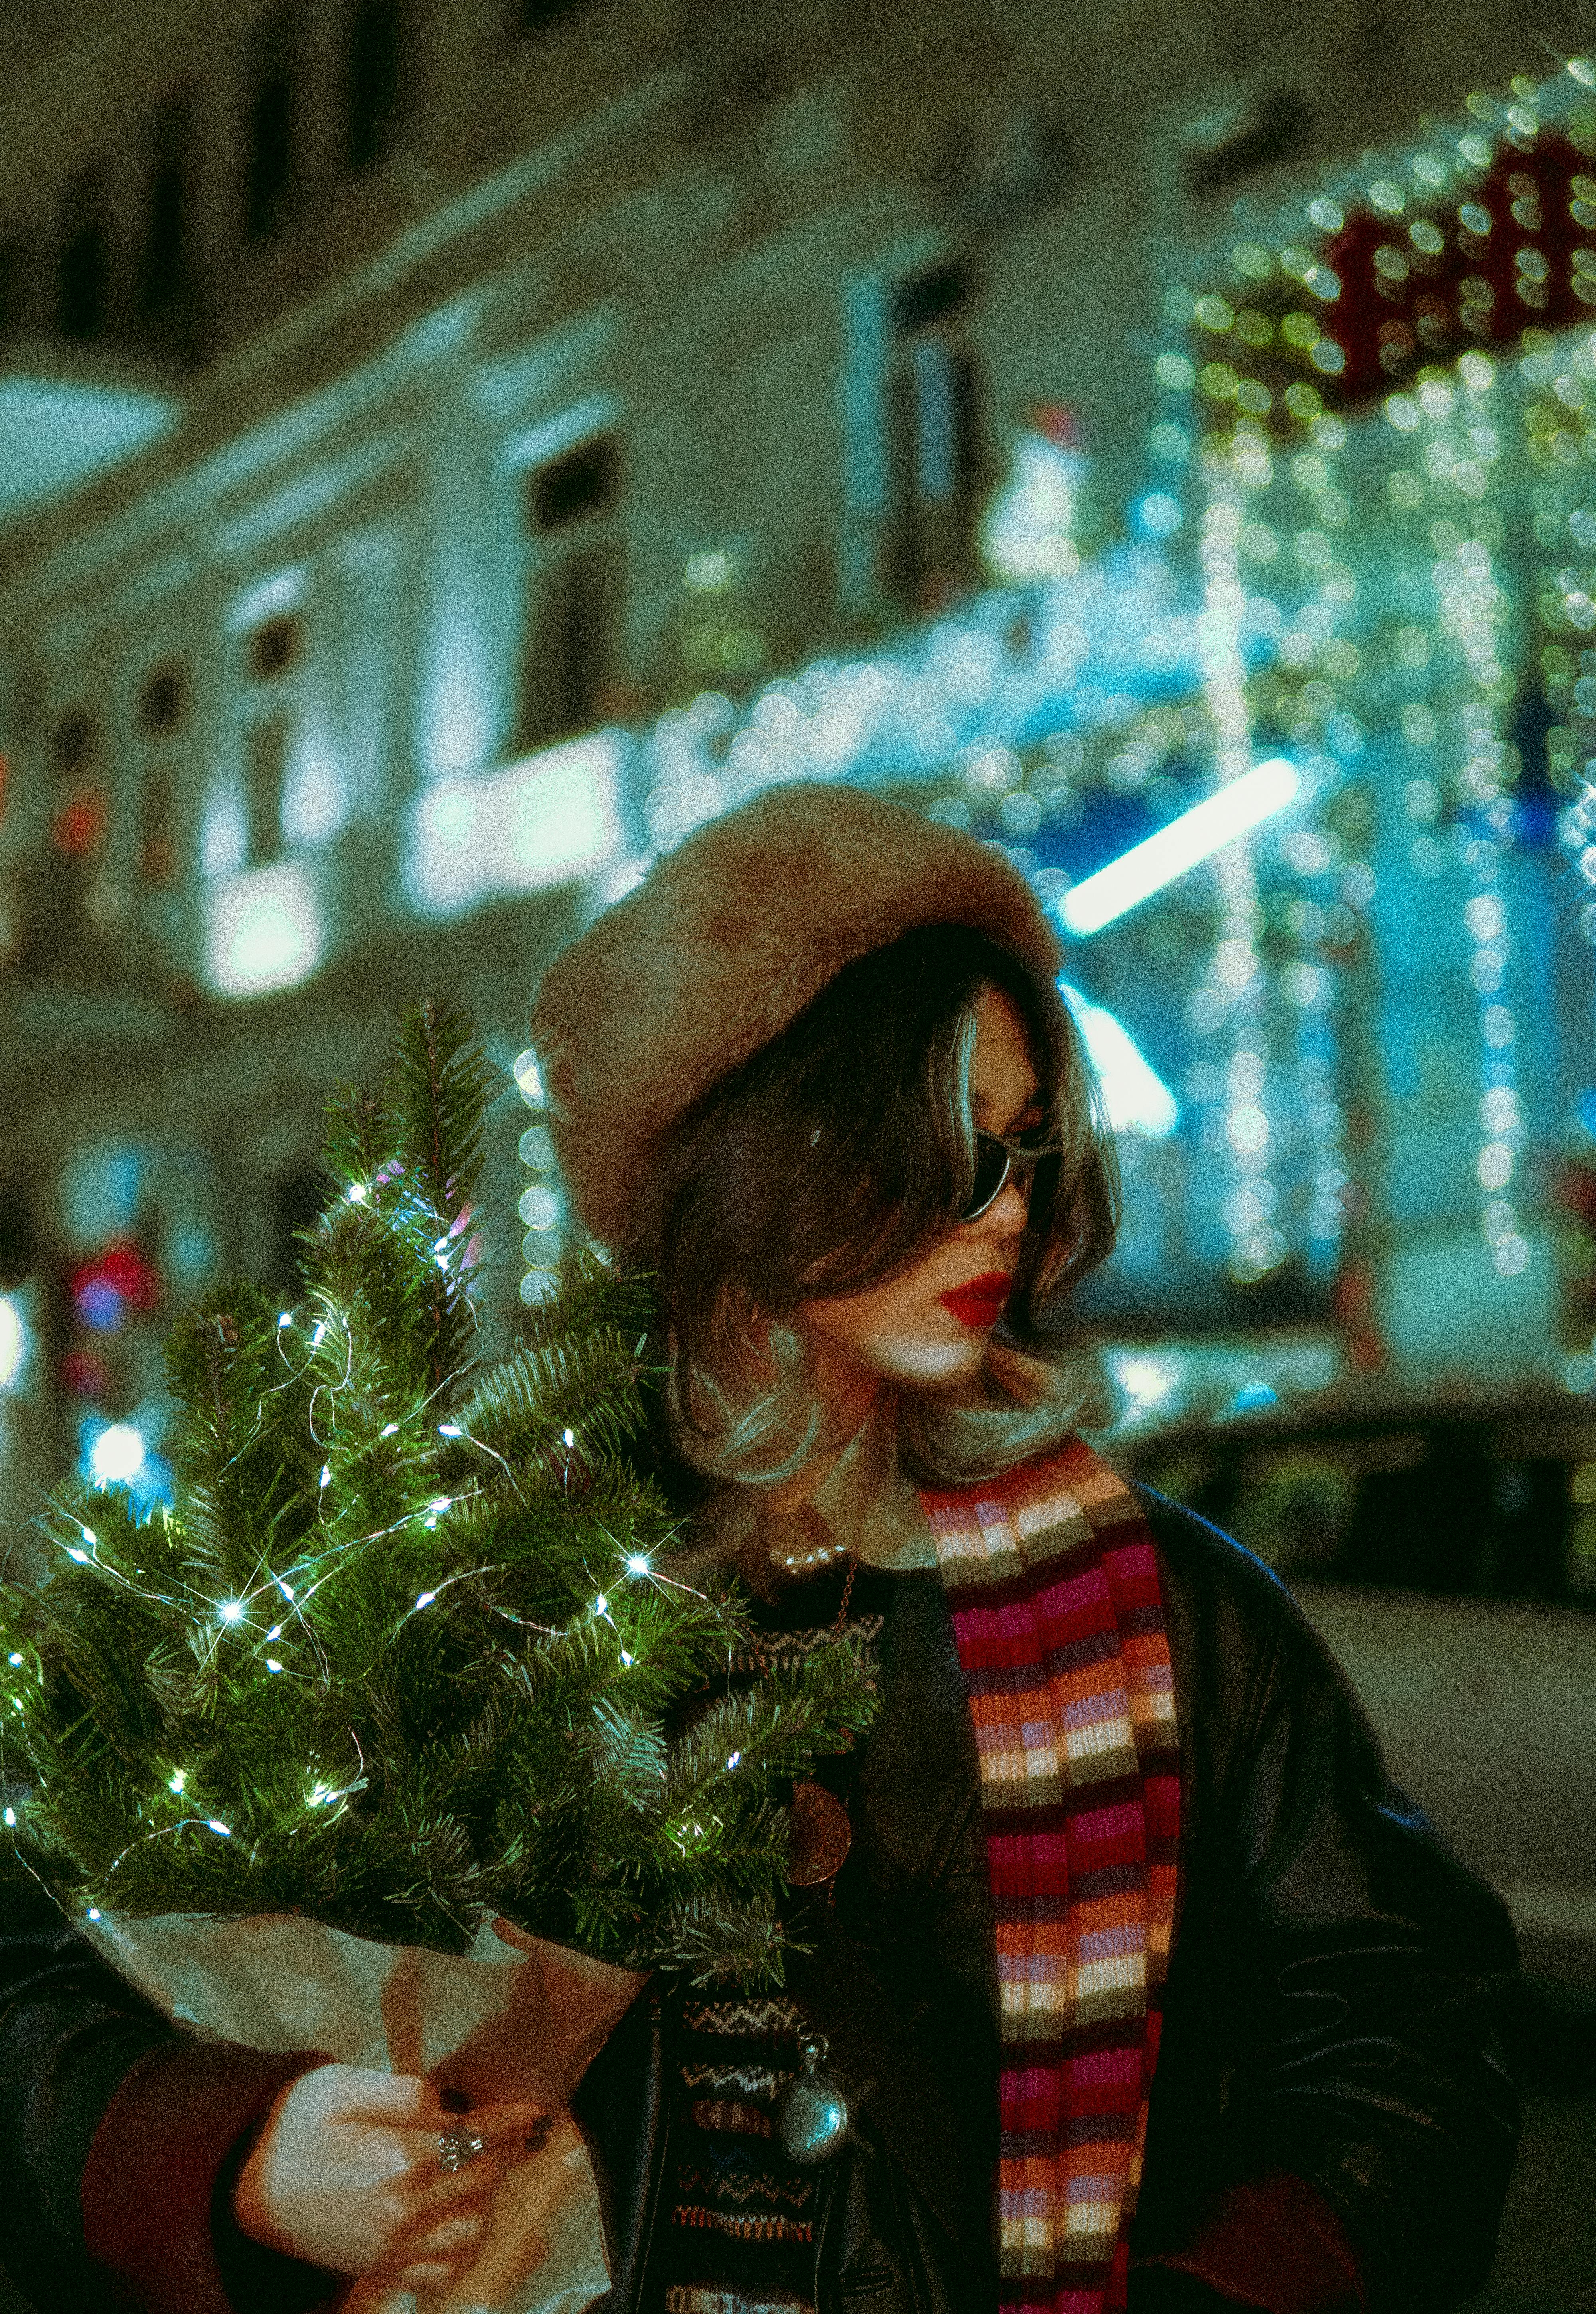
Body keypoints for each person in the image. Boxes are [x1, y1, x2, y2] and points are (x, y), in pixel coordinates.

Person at [0, 782, 1517, 2314]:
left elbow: (1405, 2038)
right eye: (946, 1147)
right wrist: (247, 2150)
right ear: (751, 1153)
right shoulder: (453, 1585)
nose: (1006, 1216)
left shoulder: (1164, 1615)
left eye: (1024, 1152)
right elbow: (53, 1960)